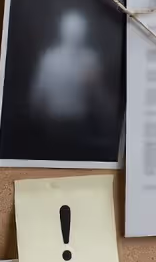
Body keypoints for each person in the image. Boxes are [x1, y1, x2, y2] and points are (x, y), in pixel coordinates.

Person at [27, 10, 118, 160]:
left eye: (79, 30)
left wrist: (111, 122)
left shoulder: (89, 59)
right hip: (53, 126)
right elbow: (37, 95)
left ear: (84, 32)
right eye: (71, 30)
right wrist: (36, 125)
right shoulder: (50, 58)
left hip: (80, 124)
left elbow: (98, 94)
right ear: (63, 30)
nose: (75, 34)